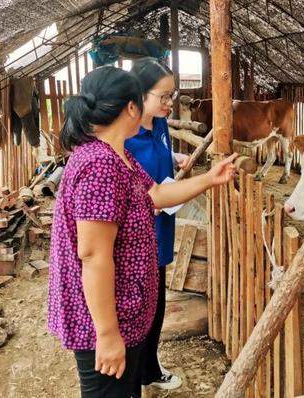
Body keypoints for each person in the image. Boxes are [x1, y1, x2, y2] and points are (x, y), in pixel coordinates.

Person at [47, 66, 237, 398]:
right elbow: (93, 256)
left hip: (125, 314)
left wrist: (210, 178)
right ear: (132, 107)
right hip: (106, 323)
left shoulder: (116, 155)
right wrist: (106, 335)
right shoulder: (100, 166)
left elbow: (156, 196)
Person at [124, 57, 187, 391]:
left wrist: (175, 159)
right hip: (137, 238)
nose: (168, 103)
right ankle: (132, 379)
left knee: (157, 305)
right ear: (139, 95)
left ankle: (150, 369)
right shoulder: (124, 140)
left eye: (171, 95)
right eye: (162, 96)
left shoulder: (160, 125)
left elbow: (160, 160)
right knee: (138, 312)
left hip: (161, 228)